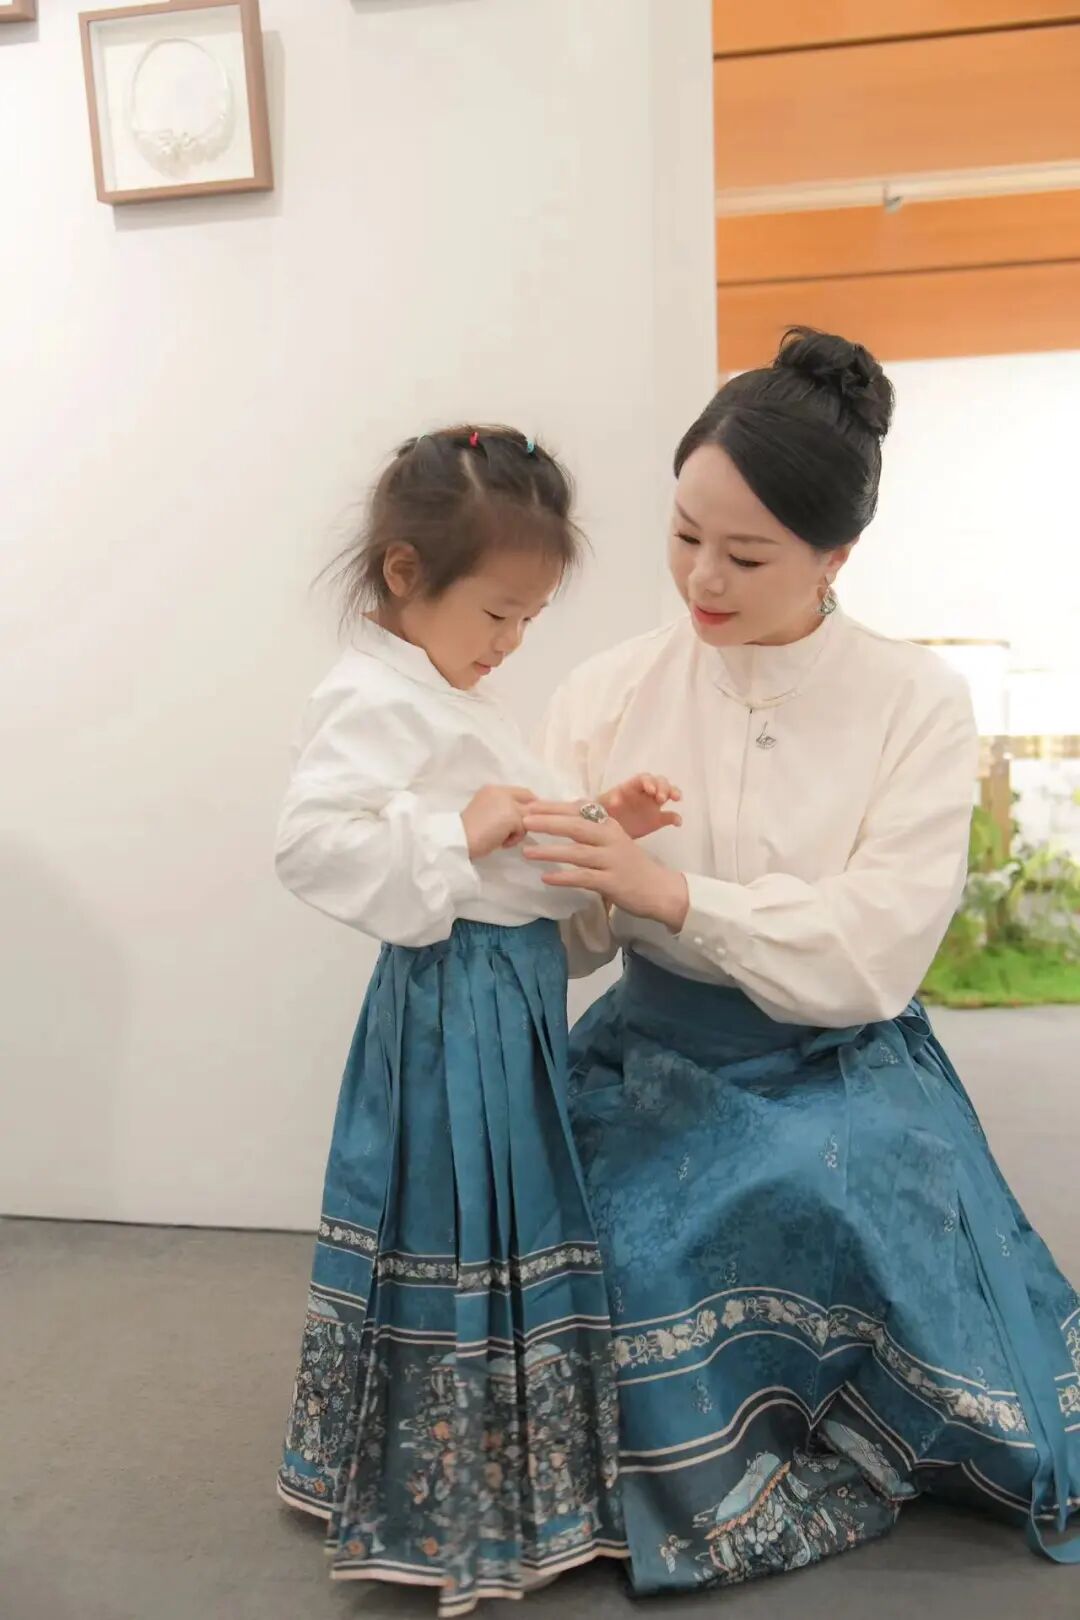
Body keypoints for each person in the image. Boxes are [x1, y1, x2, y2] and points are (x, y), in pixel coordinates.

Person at [522, 330, 1080, 1592]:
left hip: (835, 1059)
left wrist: (676, 892)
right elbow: (565, 938)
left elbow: (875, 951)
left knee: (809, 1185)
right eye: (683, 535)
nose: (702, 577)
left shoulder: (913, 702)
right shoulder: (610, 689)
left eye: (748, 553)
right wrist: (558, 865)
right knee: (598, 1237)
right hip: (647, 1053)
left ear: (837, 556)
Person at [272, 425, 681, 1615]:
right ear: (407, 574)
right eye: (499, 613)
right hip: (457, 1002)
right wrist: (459, 833)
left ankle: (497, 1467)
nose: (510, 643)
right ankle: (448, 1487)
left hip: (506, 992)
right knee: (463, 1217)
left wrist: (603, 819)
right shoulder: (371, 697)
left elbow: (512, 839)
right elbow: (312, 843)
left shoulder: (449, 691)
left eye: (528, 621)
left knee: (502, 1216)